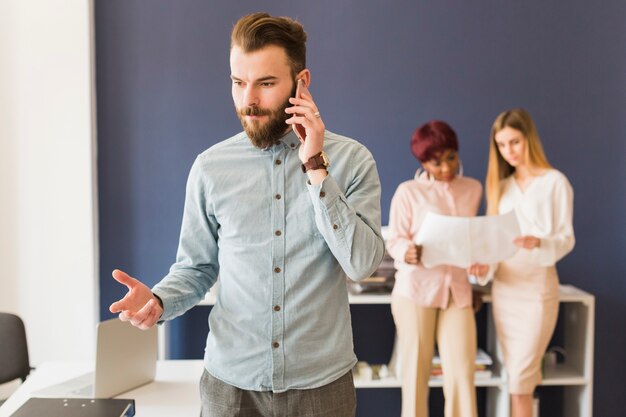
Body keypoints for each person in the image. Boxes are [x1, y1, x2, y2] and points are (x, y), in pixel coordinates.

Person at [109, 12, 385, 417]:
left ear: (301, 82)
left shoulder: (352, 161)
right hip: (231, 389)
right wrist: (159, 299)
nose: (248, 101)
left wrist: (316, 168)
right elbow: (196, 268)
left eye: (265, 83)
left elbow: (361, 265)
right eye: (238, 83)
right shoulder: (210, 168)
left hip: (321, 389)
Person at [387, 120, 487, 417]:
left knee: (461, 377)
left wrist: (480, 260)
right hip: (416, 291)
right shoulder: (409, 192)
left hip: (457, 291)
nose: (446, 168)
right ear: (423, 161)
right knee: (416, 378)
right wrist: (408, 251)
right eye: (436, 162)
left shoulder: (472, 189)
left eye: (451, 158)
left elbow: (472, 238)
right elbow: (394, 239)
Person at [485, 108, 575, 417]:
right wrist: (483, 266)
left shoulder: (555, 183)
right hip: (505, 290)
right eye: (502, 145)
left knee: (521, 379)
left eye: (515, 142)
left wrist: (539, 242)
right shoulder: (502, 188)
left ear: (529, 139)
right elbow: (493, 243)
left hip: (537, 289)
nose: (508, 151)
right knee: (516, 378)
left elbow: (566, 239)